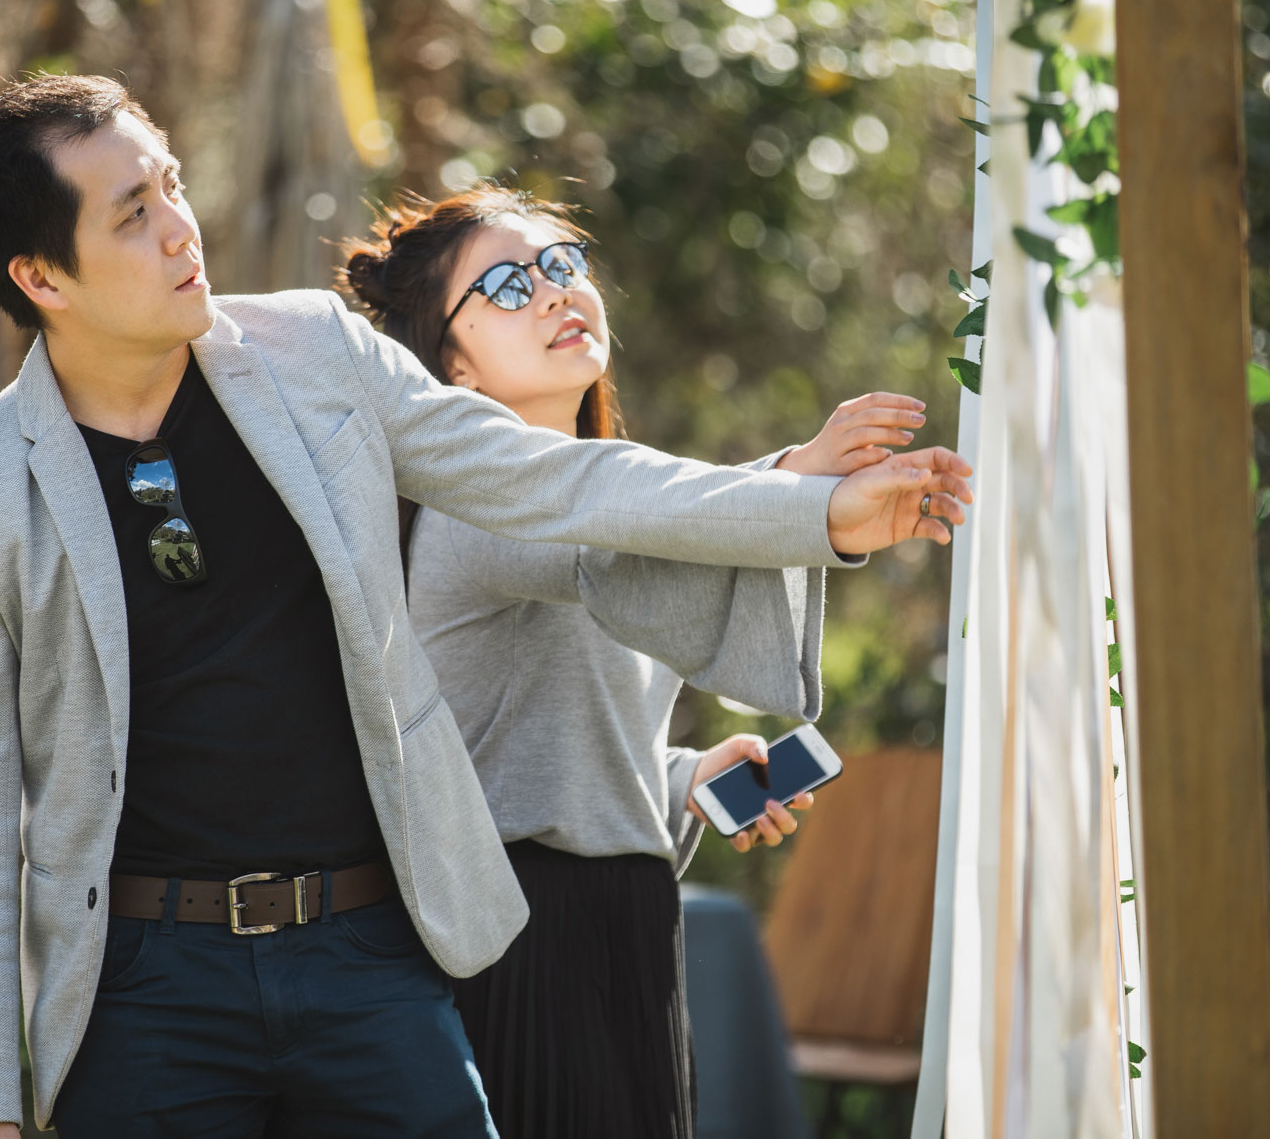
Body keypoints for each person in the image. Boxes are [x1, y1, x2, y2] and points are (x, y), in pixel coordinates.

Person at [0, 73, 973, 1139]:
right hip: (144, 984)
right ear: (41, 275)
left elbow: (564, 481)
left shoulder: (315, 354)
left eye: (171, 185)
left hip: (369, 953)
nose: (181, 229)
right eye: (134, 215)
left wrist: (815, 512)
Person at [341, 187, 944, 1139]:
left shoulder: (621, 498)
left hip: (623, 919)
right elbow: (632, 551)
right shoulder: (476, 507)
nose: (551, 291)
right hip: (513, 934)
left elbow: (561, 724)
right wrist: (802, 485)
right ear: (450, 360)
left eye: (562, 263)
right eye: (504, 284)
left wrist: (682, 776)